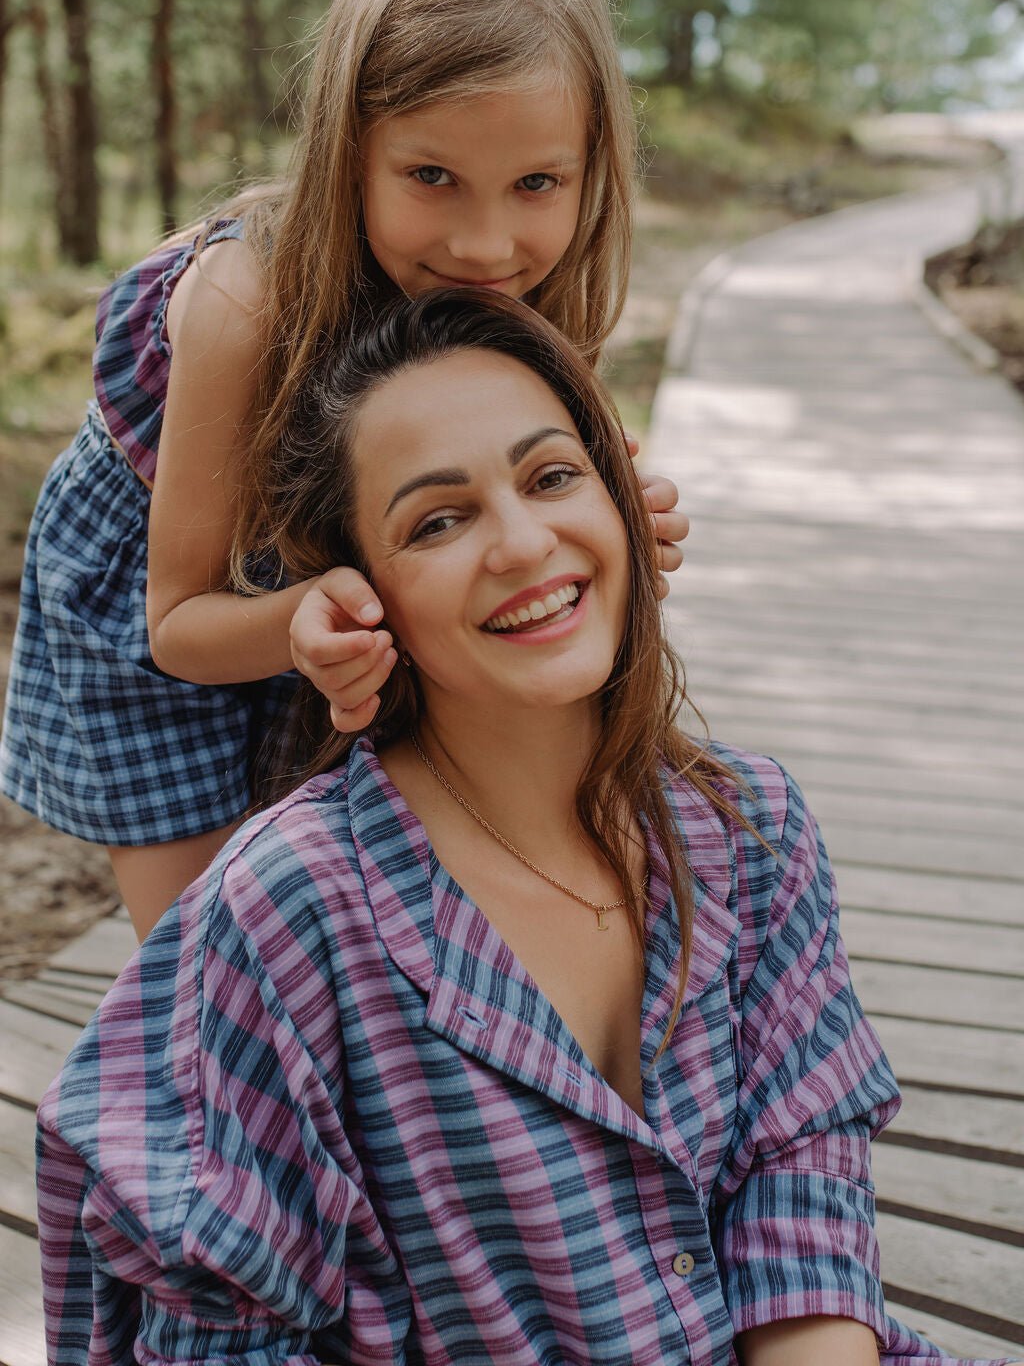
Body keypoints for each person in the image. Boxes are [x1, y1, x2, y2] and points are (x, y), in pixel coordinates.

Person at [36, 291, 1014, 1366]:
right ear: (358, 593)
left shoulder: (751, 828)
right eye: (437, 521)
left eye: (552, 476)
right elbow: (224, 1334)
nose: (521, 542)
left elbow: (801, 1193)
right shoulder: (290, 911)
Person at [0, 0, 687, 942]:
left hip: (352, 590)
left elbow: (528, 492)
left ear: (591, 168)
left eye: (537, 182)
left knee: (354, 910)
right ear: (344, 146)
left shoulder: (531, 303)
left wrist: (604, 519)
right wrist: (303, 620)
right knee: (210, 952)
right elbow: (178, 624)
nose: (484, 246)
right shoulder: (251, 299)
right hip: (160, 622)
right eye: (431, 177)